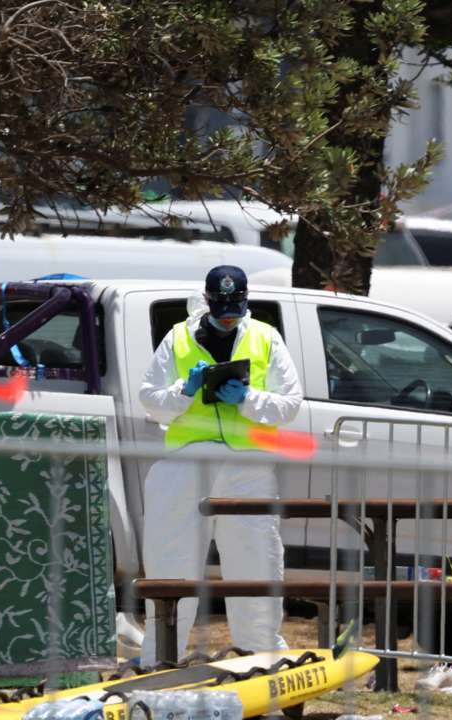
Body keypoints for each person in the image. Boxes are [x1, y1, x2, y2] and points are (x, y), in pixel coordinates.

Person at [138, 265, 303, 664]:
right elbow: (148, 398)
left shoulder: (266, 337)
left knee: (255, 559)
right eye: (222, 306)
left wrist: (247, 399)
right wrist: (184, 390)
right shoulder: (178, 337)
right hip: (185, 464)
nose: (230, 314)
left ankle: (260, 654)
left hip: (247, 466)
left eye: (237, 305)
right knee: (171, 561)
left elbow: (290, 404)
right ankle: (160, 657)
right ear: (208, 301)